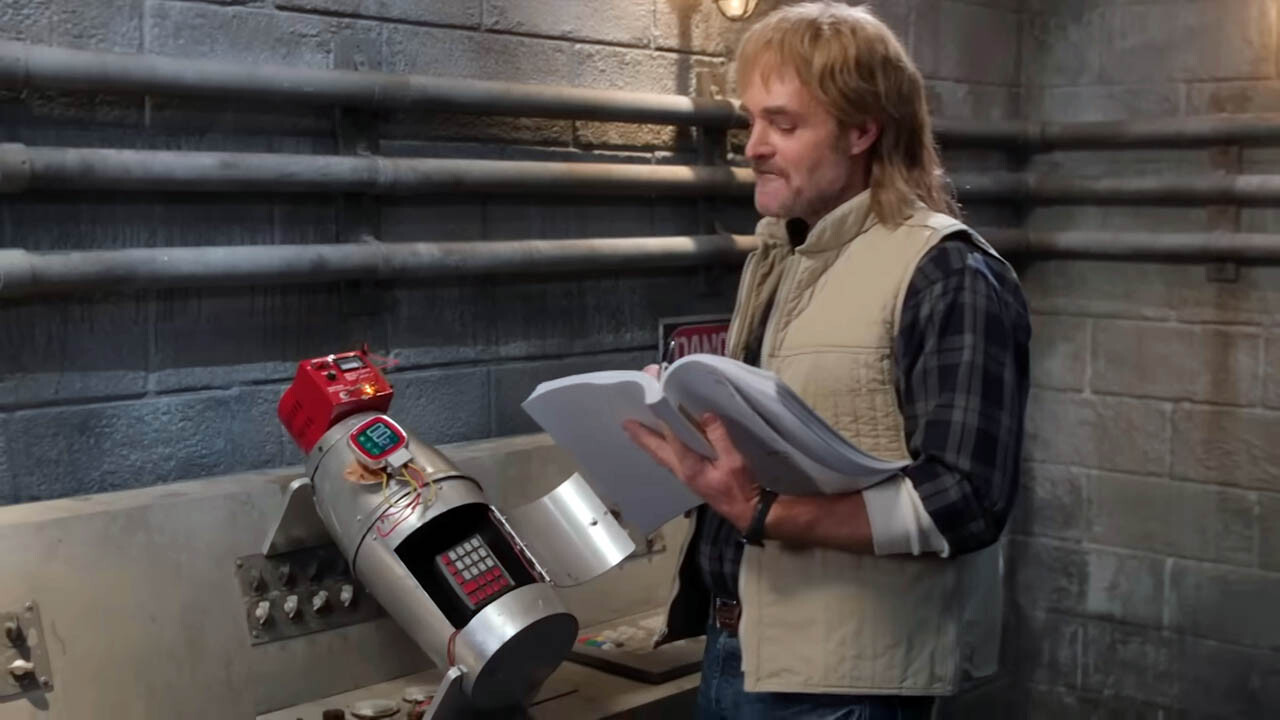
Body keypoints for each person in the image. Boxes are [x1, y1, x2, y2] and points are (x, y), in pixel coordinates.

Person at [623, 3, 1031, 719]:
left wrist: (764, 512)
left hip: (844, 684)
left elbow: (965, 500)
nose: (753, 147)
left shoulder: (947, 272)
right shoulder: (780, 255)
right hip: (734, 646)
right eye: (752, 121)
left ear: (861, 130)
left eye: (783, 125)